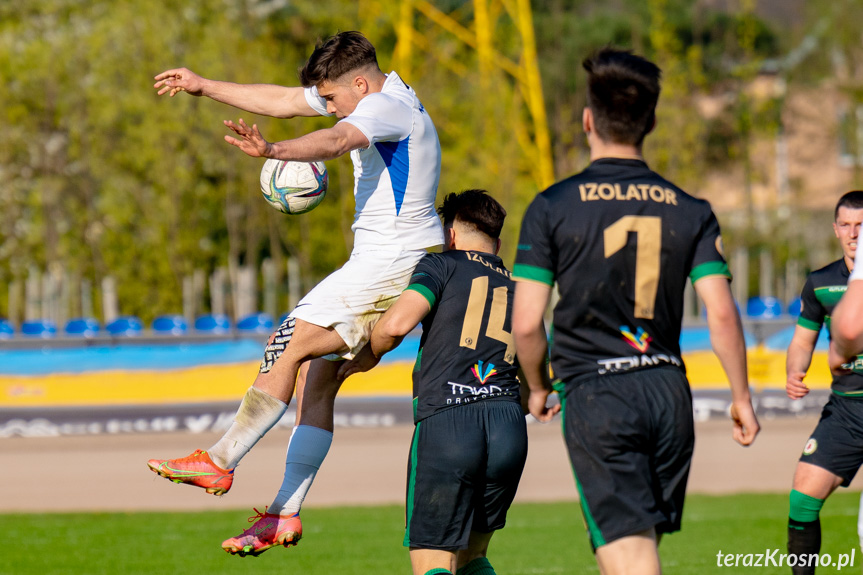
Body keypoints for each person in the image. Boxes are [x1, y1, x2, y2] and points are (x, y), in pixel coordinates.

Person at [146, 31, 444, 556]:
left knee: (288, 341)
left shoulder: (386, 109)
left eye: (331, 99)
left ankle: (219, 461)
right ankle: (284, 512)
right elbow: (284, 101)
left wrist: (273, 151)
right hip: (399, 261)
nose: (326, 108)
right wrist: (202, 86)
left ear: (359, 83)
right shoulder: (375, 97)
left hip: (388, 262)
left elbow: (336, 141)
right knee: (317, 379)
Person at [510, 47, 760, 575]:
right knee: (629, 547)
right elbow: (721, 312)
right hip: (669, 394)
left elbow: (527, 322)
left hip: (599, 396)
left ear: (587, 121)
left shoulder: (553, 206)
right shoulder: (691, 210)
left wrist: (536, 385)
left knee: (630, 555)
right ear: (650, 121)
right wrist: (740, 395)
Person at [339, 189, 535, 575]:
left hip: (449, 423)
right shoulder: (520, 287)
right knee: (474, 558)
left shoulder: (442, 264)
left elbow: (396, 324)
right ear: (498, 242)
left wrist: (367, 356)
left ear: (452, 235)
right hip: (508, 427)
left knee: (433, 561)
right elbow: (534, 369)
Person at [787, 191, 863, 574]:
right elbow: (803, 340)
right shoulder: (820, 283)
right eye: (846, 225)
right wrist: (793, 372)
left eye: (861, 225)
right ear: (835, 229)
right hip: (847, 411)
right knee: (802, 498)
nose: (853, 233)